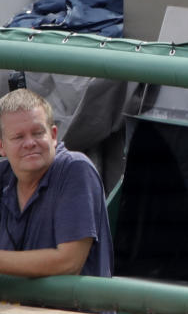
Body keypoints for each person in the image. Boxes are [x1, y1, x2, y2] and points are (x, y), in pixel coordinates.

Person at [0, 89, 113, 278]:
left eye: (37, 133)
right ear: (2, 146)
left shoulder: (75, 169)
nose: (30, 143)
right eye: (18, 137)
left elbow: (69, 262)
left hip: (70, 308)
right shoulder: (3, 175)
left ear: (53, 135)